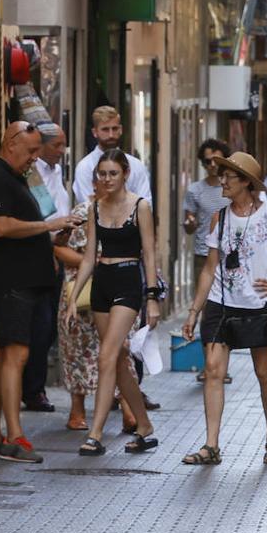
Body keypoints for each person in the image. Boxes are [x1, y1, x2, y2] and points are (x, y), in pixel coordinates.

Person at [181, 152, 267, 466]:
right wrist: (194, 311)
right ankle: (211, 444)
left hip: (257, 305)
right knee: (214, 372)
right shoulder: (220, 218)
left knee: (264, 373)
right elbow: (209, 268)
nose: (222, 181)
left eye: (228, 177)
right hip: (220, 305)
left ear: (245, 182)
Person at [0, 122, 80, 463]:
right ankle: (15, 436)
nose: (35, 159)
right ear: (11, 143)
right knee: (16, 356)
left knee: (3, 354)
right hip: (9, 283)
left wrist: (55, 235)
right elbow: (2, 227)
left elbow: (27, 231)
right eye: (32, 151)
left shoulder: (17, 179)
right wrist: (49, 225)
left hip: (21, 282)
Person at [64, 149, 162, 456]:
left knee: (106, 357)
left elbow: (149, 253)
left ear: (125, 174)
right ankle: (144, 426)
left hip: (128, 281)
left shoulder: (140, 207)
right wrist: (71, 299)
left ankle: (95, 434)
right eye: (102, 174)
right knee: (118, 360)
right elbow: (90, 256)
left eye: (113, 173)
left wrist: (152, 297)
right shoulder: (95, 207)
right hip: (102, 284)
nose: (107, 180)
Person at [21, 122, 71, 413]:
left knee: (50, 325)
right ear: (41, 147)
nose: (63, 151)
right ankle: (33, 389)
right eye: (58, 146)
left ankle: (32, 385)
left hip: (60, 251)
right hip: (43, 253)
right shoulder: (32, 173)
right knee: (40, 325)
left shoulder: (56, 170)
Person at [183, 138, 234, 384]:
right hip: (203, 254)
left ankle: (222, 365)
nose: (212, 165)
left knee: (229, 308)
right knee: (205, 308)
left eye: (216, 160)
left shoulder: (232, 187)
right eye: (206, 161)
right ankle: (209, 365)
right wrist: (189, 223)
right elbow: (189, 225)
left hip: (230, 257)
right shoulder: (195, 190)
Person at [73, 106, 152, 205]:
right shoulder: (85, 167)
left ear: (121, 130)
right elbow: (88, 206)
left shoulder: (136, 165)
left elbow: (145, 204)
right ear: (95, 132)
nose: (111, 135)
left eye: (114, 129)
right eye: (105, 129)